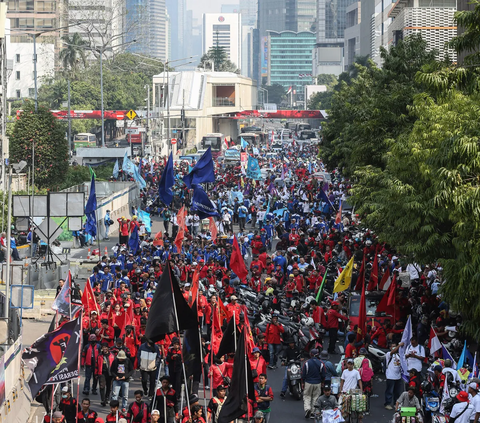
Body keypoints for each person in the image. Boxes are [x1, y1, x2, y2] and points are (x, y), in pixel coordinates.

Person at [301, 349, 326, 419]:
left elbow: (303, 374)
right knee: (316, 397)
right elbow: (323, 375)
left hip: (308, 382)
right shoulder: (321, 363)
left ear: (311, 354)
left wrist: (302, 383)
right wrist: (322, 382)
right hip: (317, 383)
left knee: (307, 396)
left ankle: (307, 409)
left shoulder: (306, 363)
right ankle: (312, 412)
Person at [384, 342, 404, 410]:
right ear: (390, 348)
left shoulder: (398, 355)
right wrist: (399, 345)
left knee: (397, 392)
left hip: (398, 376)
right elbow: (393, 351)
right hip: (390, 376)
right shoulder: (388, 354)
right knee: (389, 391)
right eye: (393, 346)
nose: (394, 347)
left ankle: (396, 403)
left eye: (395, 346)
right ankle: (388, 403)